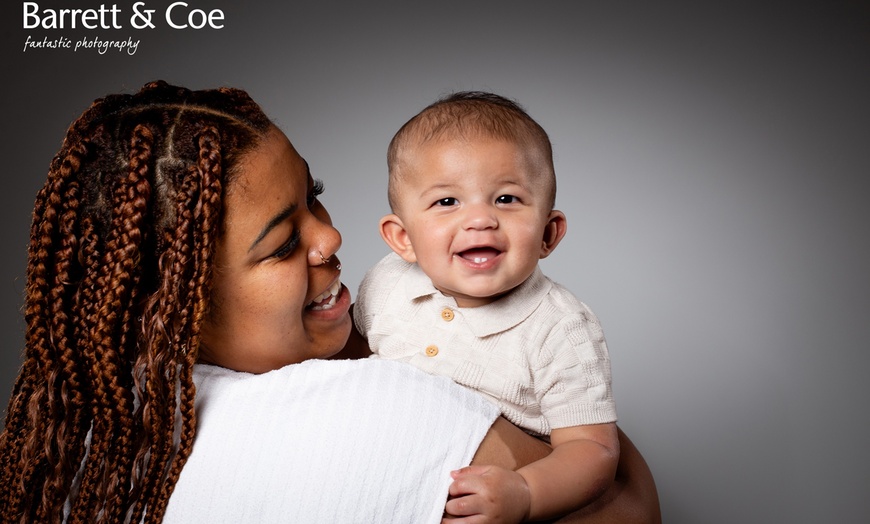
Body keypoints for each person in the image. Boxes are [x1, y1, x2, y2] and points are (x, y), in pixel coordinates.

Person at [0, 82, 660, 524]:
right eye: (283, 245)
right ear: (176, 307)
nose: (331, 238)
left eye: (312, 197)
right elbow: (630, 507)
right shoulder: (384, 410)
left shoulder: (86, 434)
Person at [353, 91, 618, 522]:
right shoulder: (387, 282)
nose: (480, 219)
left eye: (506, 199)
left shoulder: (561, 327)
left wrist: (526, 493)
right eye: (447, 202)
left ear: (548, 233)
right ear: (403, 239)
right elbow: (352, 364)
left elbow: (593, 449)